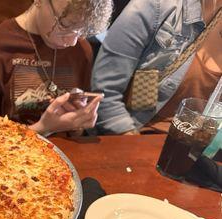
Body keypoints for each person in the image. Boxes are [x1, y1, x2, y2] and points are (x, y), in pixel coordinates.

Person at [0, 0, 112, 136]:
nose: (72, 41)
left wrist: (77, 121)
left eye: (82, 30)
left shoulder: (81, 50)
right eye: (64, 25)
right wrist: (43, 128)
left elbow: (75, 135)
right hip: (8, 160)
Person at [92, 0, 222, 135]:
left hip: (201, 148)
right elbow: (105, 93)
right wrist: (130, 142)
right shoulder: (156, 6)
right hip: (140, 139)